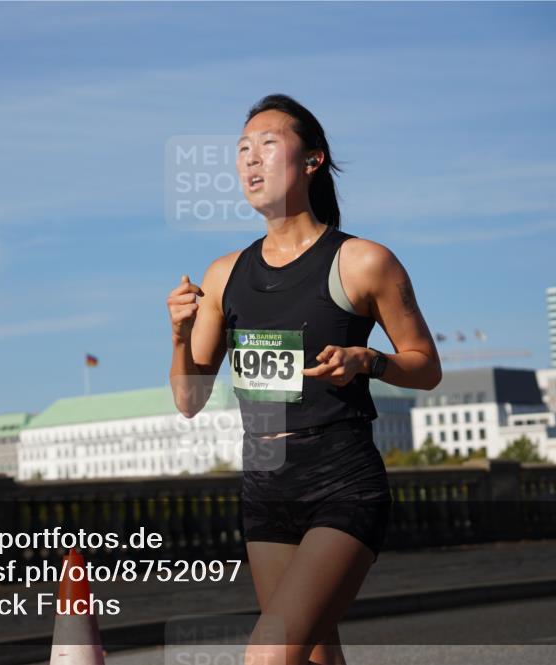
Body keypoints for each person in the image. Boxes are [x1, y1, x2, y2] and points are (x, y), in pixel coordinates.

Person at [167, 94, 441, 665]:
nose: (251, 160)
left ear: (313, 160)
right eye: (243, 150)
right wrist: (178, 333)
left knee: (268, 657)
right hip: (265, 488)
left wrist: (369, 361)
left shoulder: (363, 262)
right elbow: (189, 398)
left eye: (268, 144)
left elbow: (426, 365)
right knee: (314, 657)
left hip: (342, 481)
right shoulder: (224, 276)